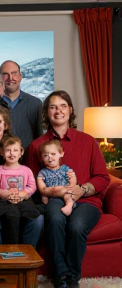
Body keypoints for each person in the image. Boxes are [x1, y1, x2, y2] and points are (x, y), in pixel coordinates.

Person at [25, 90, 110, 288]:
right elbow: (32, 183)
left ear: (70, 110)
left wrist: (83, 189)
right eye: (53, 107)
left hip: (87, 201)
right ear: (47, 112)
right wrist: (51, 193)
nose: (58, 111)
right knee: (54, 219)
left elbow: (102, 177)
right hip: (54, 200)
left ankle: (73, 279)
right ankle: (60, 276)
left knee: (77, 226)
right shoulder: (37, 146)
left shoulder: (88, 141)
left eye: (63, 106)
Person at [0, 105, 43, 247]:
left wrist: (21, 195)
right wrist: (3, 195)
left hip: (20, 198)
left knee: (38, 220)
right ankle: (0, 262)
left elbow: (28, 179)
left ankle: (24, 259)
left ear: (5, 125)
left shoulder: (15, 148)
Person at [0, 136, 40, 244]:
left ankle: (27, 252)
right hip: (2, 202)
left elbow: (32, 186)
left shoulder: (26, 170)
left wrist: (22, 194)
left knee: (37, 217)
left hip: (22, 201)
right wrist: (4, 194)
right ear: (1, 152)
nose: (12, 153)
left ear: (21, 152)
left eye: (15, 150)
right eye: (8, 150)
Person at [0, 60, 42, 149]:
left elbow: (40, 138)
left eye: (14, 73)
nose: (10, 78)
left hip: (27, 160)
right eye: (5, 74)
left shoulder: (35, 104)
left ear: (20, 77)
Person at [37, 139, 77, 216]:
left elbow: (73, 181)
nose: (49, 157)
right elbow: (42, 188)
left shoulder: (65, 169)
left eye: (53, 154)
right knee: (44, 197)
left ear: (61, 154)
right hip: (51, 194)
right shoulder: (42, 172)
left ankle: (69, 205)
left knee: (68, 194)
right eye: (46, 155)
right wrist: (44, 192)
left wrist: (72, 181)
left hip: (64, 191)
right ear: (41, 158)